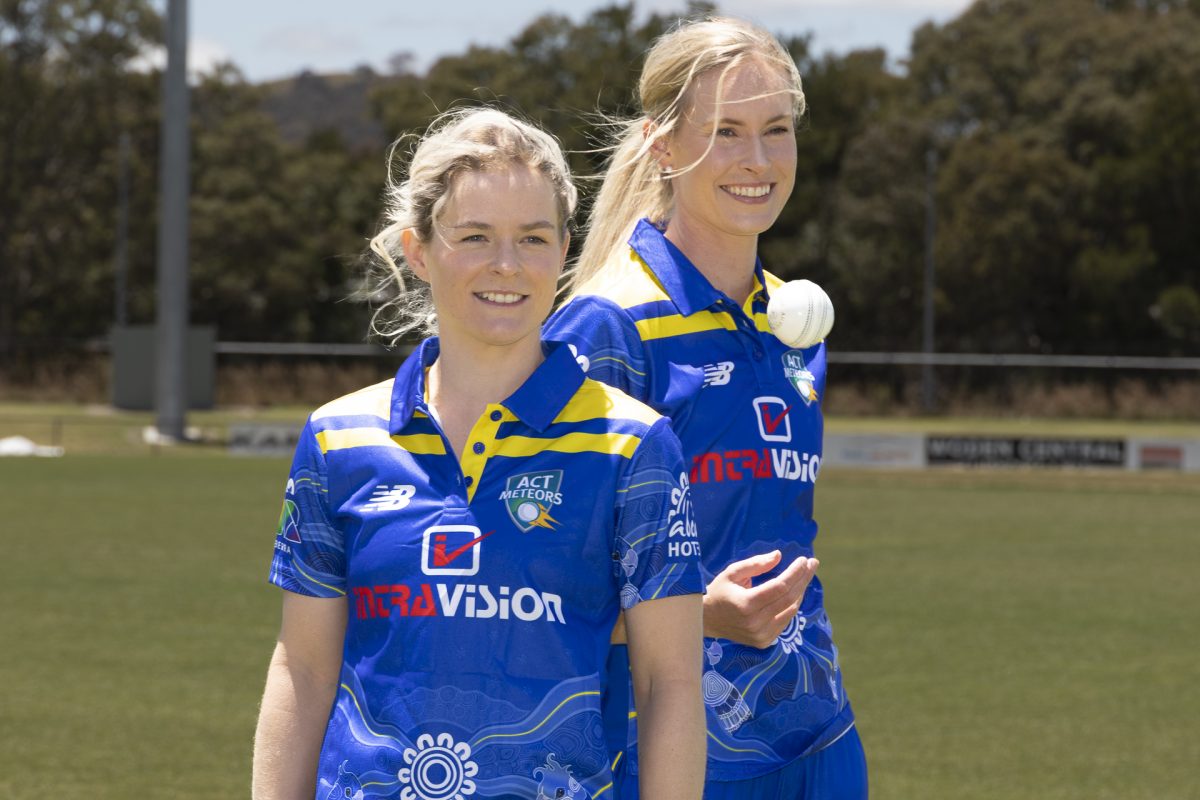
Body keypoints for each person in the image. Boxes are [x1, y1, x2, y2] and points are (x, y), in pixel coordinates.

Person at [252, 107, 706, 800]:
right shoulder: (338, 438)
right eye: (474, 237)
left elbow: (668, 683)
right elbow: (304, 670)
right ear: (417, 249)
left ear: (563, 250)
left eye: (533, 238)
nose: (507, 266)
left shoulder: (633, 445)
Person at [544, 16, 867, 800]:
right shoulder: (610, 326)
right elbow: (532, 583)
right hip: (664, 750)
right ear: (663, 145)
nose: (757, 161)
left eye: (775, 130)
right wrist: (702, 614)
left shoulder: (791, 322)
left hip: (816, 737)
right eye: (726, 131)